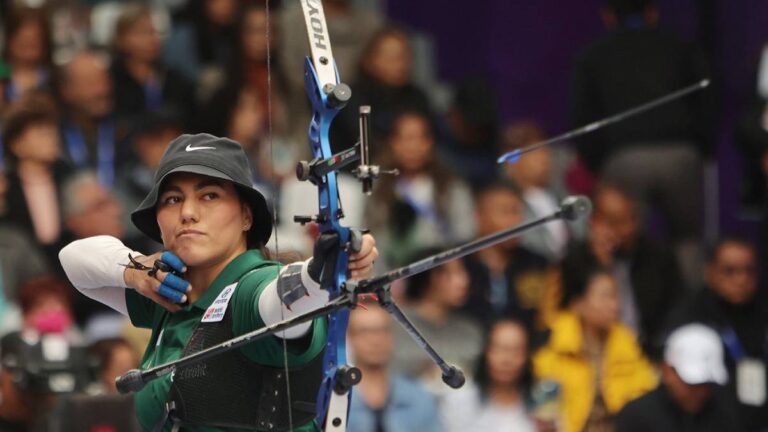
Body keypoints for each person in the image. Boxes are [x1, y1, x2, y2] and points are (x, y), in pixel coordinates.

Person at [59, 133, 378, 431]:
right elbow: (73, 260)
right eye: (172, 199)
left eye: (209, 195)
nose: (187, 212)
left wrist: (320, 273)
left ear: (246, 217)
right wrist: (135, 271)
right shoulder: (169, 293)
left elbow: (281, 301)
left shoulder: (253, 289)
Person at [569, 0, 713, 287]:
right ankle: (693, 319)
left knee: (623, 245)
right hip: (681, 157)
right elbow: (708, 102)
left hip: (624, 159)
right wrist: (699, 149)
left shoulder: (594, 55)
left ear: (608, 16)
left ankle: (630, 319)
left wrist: (600, 165)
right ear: (652, 13)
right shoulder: (680, 46)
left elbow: (582, 119)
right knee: (688, 244)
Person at [562, 183, 684, 358]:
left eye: (633, 219)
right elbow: (568, 312)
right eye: (617, 222)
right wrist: (601, 264)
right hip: (595, 355)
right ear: (596, 222)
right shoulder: (576, 260)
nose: (629, 229)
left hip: (652, 352)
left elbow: (676, 308)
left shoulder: (658, 256)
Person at [533, 264, 657, 432]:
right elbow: (545, 413)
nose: (614, 305)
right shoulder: (554, 349)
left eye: (615, 297)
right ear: (578, 304)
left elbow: (646, 394)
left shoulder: (628, 345)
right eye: (605, 297)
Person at [667, 238, 768, 430]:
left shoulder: (763, 310)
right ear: (710, 272)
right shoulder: (689, 315)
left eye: (749, 271)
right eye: (730, 271)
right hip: (708, 420)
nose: (741, 279)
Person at [366, 110, 474, 269]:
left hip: (438, 273)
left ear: (430, 142)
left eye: (419, 138)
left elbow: (465, 234)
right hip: (391, 274)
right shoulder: (376, 188)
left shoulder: (451, 187)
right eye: (405, 138)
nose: (412, 146)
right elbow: (373, 237)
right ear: (392, 142)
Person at [615, 323, 744, 432]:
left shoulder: (726, 415)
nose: (699, 392)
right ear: (667, 371)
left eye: (706, 383)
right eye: (691, 383)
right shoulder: (636, 417)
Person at [461, 182, 553, 328]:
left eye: (517, 212)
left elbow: (546, 319)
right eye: (505, 212)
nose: (515, 222)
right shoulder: (457, 264)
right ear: (479, 216)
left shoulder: (537, 265)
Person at [330, 26, 434, 155]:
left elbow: (430, 142)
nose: (401, 64)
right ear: (369, 61)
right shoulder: (351, 98)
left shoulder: (417, 97)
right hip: (354, 171)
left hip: (411, 171)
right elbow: (365, 145)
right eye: (393, 58)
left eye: (405, 57)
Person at [390, 250, 482, 392]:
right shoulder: (394, 325)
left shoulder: (470, 329)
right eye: (455, 273)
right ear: (432, 277)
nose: (465, 281)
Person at [347, 301, 443, 432]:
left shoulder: (418, 397)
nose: (375, 340)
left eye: (382, 330)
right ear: (349, 337)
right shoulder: (336, 399)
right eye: (365, 331)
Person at [1, 93, 71, 261]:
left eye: (53, 133)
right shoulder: (5, 188)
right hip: (23, 271)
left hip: (66, 269)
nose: (52, 140)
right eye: (42, 134)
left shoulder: (68, 179)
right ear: (17, 145)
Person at [441, 319, 536, 432]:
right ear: (486, 352)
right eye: (499, 349)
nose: (506, 360)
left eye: (516, 351)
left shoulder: (541, 403)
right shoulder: (459, 400)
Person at [110, 3, 196, 128]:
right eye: (142, 33)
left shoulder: (175, 79)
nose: (152, 39)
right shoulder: (111, 81)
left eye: (154, 32)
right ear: (121, 39)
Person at [500, 121, 569, 261]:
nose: (544, 158)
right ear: (512, 161)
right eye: (535, 151)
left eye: (546, 150)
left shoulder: (562, 195)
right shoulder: (507, 203)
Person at [57, 51, 124, 187]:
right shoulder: (54, 140)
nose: (102, 90)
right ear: (66, 91)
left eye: (104, 81)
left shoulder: (126, 133)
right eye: (90, 83)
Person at [0, 6, 54, 103]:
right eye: (21, 44)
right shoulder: (2, 72)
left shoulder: (52, 77)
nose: (27, 52)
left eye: (33, 45)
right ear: (9, 41)